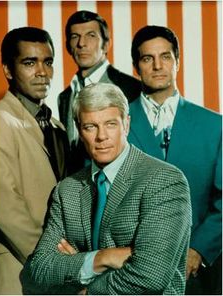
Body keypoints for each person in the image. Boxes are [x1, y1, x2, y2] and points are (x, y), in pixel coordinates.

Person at [21, 82, 191, 295]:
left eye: (110, 124)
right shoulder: (67, 191)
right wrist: (103, 258)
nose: (101, 136)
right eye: (90, 127)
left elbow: (151, 275)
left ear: (126, 125)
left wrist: (86, 289)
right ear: (79, 130)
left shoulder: (164, 180)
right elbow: (39, 269)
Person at [128, 25, 222, 295]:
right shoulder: (113, 124)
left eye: (165, 56)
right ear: (136, 67)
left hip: (198, 273)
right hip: (132, 267)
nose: (158, 66)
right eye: (148, 59)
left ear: (177, 62)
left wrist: (199, 249)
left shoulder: (214, 125)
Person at [0, 27, 71, 295]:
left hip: (58, 267)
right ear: (8, 70)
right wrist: (51, 259)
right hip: (19, 265)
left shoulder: (57, 127)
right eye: (29, 63)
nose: (42, 72)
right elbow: (4, 207)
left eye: (48, 62)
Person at [58, 10, 142, 168]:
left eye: (91, 35)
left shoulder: (131, 88)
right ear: (68, 45)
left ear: (106, 44)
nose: (81, 43)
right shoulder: (65, 96)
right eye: (75, 36)